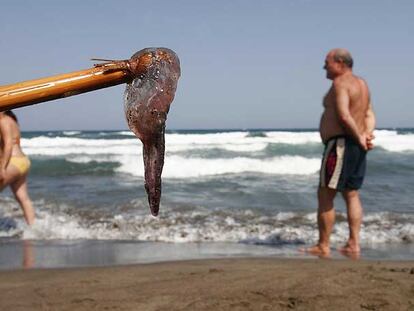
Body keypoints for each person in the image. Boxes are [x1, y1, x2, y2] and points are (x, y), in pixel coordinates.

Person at [305, 48, 376, 257]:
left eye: (327, 62)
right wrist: (366, 135)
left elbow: (345, 117)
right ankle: (353, 244)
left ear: (340, 63)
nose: (324, 66)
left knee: (325, 193)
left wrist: (360, 136)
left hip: (340, 146)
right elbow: (369, 114)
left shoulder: (340, 84)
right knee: (351, 194)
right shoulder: (362, 84)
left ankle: (323, 245)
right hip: (355, 145)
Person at [0, 110, 34, 225]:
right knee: (23, 198)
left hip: (13, 162)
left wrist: (3, 168)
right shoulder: (11, 121)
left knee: (23, 198)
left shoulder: (3, 121)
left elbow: (8, 144)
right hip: (23, 161)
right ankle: (33, 229)